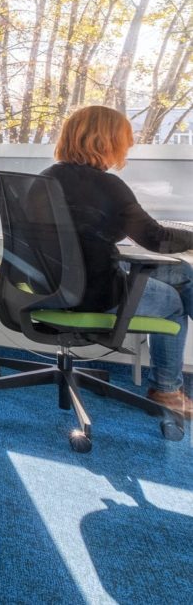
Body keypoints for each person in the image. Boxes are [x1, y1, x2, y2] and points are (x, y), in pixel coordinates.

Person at [42, 104, 193, 417]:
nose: (130, 145)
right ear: (106, 140)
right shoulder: (107, 186)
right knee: (176, 300)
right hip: (93, 292)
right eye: (125, 138)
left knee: (182, 273)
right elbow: (157, 238)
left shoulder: (47, 178)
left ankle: (168, 389)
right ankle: (166, 390)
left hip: (54, 282)